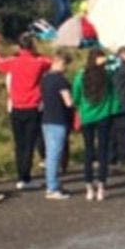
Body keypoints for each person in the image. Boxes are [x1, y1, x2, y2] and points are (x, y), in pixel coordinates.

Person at [0, 32, 51, 190]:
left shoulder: (13, 62)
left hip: (16, 107)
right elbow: (49, 61)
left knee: (19, 143)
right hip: (32, 107)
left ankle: (20, 175)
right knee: (29, 144)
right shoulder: (38, 62)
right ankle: (25, 177)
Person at [73, 48, 116, 201]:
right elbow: (113, 96)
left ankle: (89, 187)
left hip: (87, 116)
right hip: (104, 115)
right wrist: (112, 110)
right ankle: (101, 187)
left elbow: (76, 97)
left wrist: (80, 108)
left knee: (88, 151)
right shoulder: (107, 76)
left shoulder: (80, 76)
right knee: (103, 151)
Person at [40, 51, 74, 199]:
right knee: (55, 155)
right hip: (58, 120)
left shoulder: (45, 78)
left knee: (50, 154)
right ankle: (52, 187)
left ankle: (52, 183)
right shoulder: (61, 81)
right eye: (66, 65)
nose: (66, 68)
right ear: (61, 63)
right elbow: (68, 101)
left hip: (46, 119)